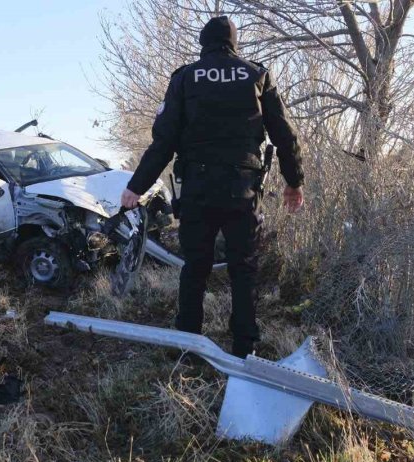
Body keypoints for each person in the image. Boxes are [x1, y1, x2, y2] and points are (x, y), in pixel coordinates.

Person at [120, 16, 305, 358]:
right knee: (243, 267)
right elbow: (285, 135)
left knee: (196, 266)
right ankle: (244, 348)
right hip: (244, 190)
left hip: (198, 189)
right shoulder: (257, 76)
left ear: (203, 43)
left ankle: (187, 343)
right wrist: (294, 182)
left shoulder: (186, 77)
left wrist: (137, 186)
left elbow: (164, 140)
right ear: (234, 44)